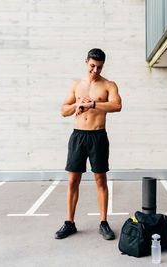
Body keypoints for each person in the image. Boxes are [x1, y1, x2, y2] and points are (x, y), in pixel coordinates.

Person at [55, 48, 122, 240]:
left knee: (100, 180)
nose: (95, 70)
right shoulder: (76, 84)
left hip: (98, 136)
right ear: (86, 62)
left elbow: (117, 106)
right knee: (72, 181)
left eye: (99, 67)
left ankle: (103, 223)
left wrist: (92, 104)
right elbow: (63, 110)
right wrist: (78, 105)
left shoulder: (109, 85)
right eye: (92, 66)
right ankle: (69, 223)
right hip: (78, 137)